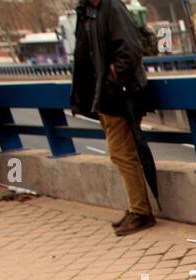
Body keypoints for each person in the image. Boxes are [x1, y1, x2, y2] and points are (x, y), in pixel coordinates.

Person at [69, 0, 155, 236]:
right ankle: (136, 209)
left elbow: (130, 48)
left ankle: (140, 212)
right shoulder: (89, 11)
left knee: (121, 153)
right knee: (121, 154)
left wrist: (114, 79)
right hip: (104, 95)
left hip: (117, 95)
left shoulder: (111, 8)